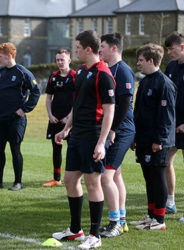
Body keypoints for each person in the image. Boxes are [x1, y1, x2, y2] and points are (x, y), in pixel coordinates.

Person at [52, 30, 115, 250]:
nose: (75, 50)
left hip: (93, 135)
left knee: (92, 182)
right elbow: (76, 106)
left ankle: (94, 235)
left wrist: (101, 142)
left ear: (88, 49)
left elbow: (109, 111)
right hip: (77, 134)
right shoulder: (80, 72)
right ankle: (75, 229)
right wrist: (66, 129)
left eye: (77, 47)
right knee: (70, 180)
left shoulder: (103, 74)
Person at [0, 42, 40, 191]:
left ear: (9, 56)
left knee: (15, 149)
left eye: (0, 57)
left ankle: (18, 182)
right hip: (0, 119)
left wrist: (25, 109)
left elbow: (35, 91)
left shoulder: (22, 72)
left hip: (16, 120)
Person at [130, 44, 175, 230]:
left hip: (157, 142)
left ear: (150, 60)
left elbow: (167, 116)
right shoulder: (145, 81)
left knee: (158, 177)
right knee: (148, 178)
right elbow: (138, 112)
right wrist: (134, 137)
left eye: (141, 60)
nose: (138, 64)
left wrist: (160, 140)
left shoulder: (164, 84)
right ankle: (150, 216)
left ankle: (160, 219)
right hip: (143, 140)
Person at [98, 33, 135, 237]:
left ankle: (116, 224)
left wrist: (112, 130)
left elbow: (124, 105)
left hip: (121, 130)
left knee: (107, 176)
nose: (100, 50)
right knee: (116, 174)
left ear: (114, 48)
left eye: (102, 46)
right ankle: (121, 219)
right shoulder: (107, 69)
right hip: (113, 129)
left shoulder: (123, 71)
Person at [43, 49, 75, 187]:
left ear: (69, 60)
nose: (60, 62)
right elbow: (48, 98)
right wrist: (50, 115)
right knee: (56, 149)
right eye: (58, 60)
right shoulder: (53, 76)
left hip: (71, 121)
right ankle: (56, 179)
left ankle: (75, 177)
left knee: (73, 150)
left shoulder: (75, 76)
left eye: (62, 59)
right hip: (55, 120)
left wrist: (69, 117)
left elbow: (79, 99)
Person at [164, 32, 184, 218]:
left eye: (172, 48)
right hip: (172, 125)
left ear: (182, 47)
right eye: (167, 48)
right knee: (166, 162)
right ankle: (170, 201)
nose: (169, 52)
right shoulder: (170, 66)